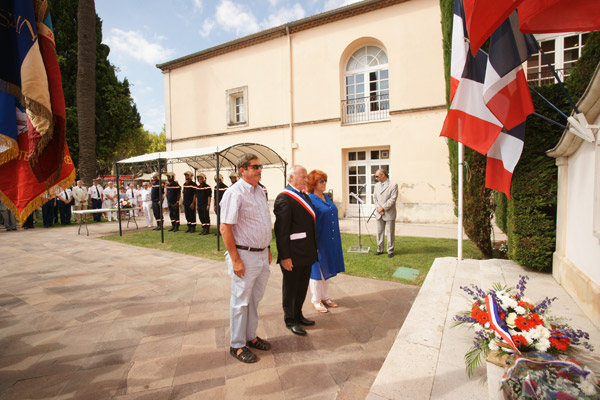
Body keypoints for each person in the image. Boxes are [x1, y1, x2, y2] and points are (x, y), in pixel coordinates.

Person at [219, 153, 273, 363]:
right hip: (244, 255)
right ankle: (237, 345)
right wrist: (236, 260)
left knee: (254, 300)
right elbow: (225, 228)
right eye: (255, 167)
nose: (259, 170)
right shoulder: (235, 193)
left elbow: (262, 222)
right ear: (243, 170)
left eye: (260, 167)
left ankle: (251, 336)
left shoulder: (259, 191)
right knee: (240, 302)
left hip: (260, 254)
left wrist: (266, 247)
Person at [274, 165, 318, 336]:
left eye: (306, 176)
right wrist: (285, 256)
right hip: (292, 253)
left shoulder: (304, 196)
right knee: (291, 288)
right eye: (303, 176)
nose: (306, 180)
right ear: (291, 177)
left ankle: (298, 315)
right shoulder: (284, 198)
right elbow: (281, 231)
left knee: (302, 287)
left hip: (306, 251)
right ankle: (290, 319)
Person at [306, 170, 345, 313]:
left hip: (331, 238)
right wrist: (312, 243)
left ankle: (325, 297)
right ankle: (315, 299)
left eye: (325, 181)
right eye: (321, 181)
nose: (324, 184)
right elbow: (309, 223)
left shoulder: (326, 198)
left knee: (327, 268)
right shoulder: (310, 199)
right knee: (317, 270)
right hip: (318, 239)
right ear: (313, 183)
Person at [373, 168, 398, 258]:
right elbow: (375, 198)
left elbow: (393, 199)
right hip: (379, 213)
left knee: (390, 233)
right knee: (379, 232)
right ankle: (379, 249)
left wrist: (383, 208)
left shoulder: (393, 185)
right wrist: (378, 208)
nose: (376, 178)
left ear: (383, 175)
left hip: (389, 213)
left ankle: (390, 251)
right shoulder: (376, 186)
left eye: (377, 176)